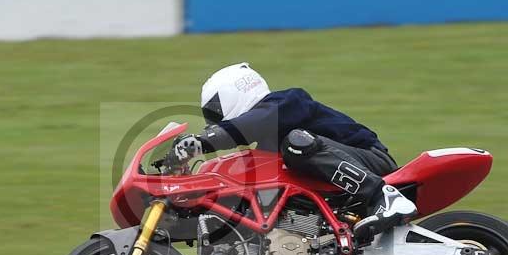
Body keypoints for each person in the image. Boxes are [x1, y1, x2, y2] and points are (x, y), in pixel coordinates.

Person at [171, 62, 417, 238]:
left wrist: (201, 142)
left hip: (371, 160)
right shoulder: (268, 141)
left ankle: (384, 197)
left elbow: (251, 124)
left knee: (296, 143)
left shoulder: (287, 102)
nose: (214, 121)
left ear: (233, 94)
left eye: (214, 112)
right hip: (341, 188)